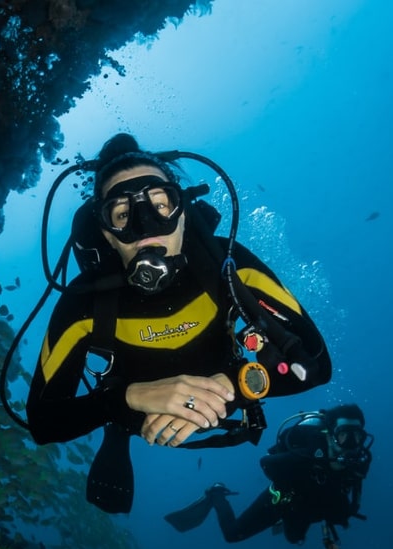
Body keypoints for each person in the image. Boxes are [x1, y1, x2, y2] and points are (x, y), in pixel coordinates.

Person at [24, 134, 332, 512]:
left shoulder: (229, 266)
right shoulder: (84, 302)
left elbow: (316, 364)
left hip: (229, 389)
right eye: (122, 214)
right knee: (117, 417)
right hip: (131, 412)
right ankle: (117, 432)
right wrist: (127, 398)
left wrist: (235, 386)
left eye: (160, 204)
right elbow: (43, 421)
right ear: (106, 233)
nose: (145, 226)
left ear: (182, 212)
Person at [164, 404, 373, 549]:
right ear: (329, 435)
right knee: (232, 534)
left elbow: (352, 497)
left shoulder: (358, 462)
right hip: (282, 500)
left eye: (358, 436)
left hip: (313, 506)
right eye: (345, 435)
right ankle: (216, 494)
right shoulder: (307, 453)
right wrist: (288, 490)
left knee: (295, 539)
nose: (352, 444)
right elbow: (267, 463)